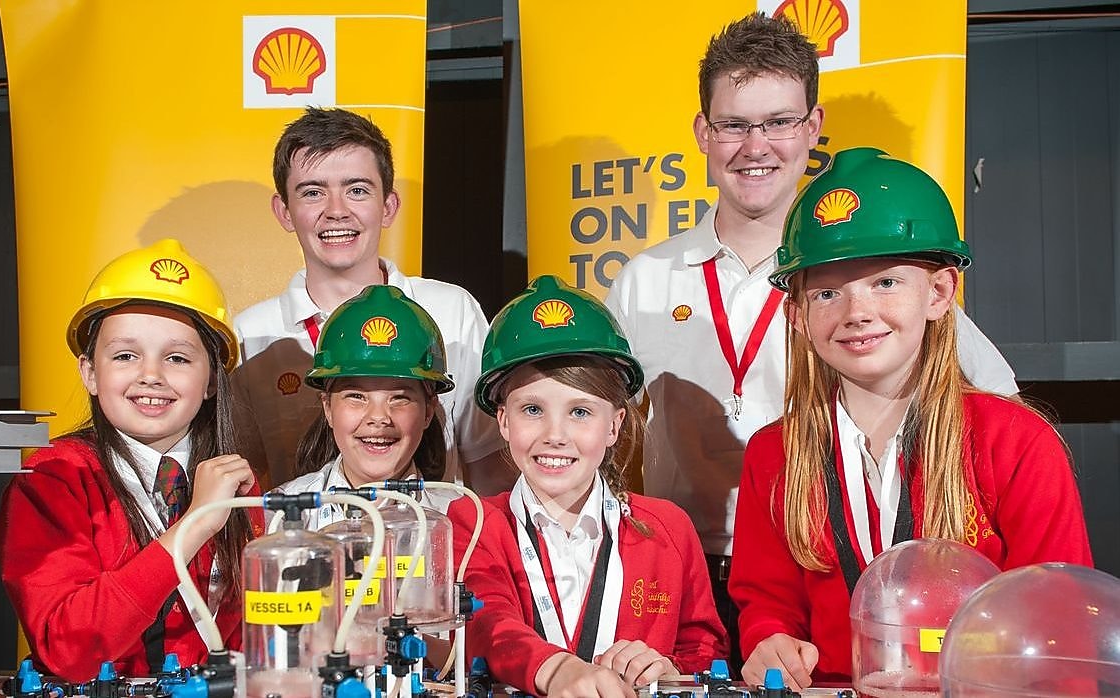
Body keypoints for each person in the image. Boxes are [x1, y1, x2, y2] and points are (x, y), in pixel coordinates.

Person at [602, 12, 1018, 668]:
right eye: (735, 125)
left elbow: (994, 399)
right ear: (703, 134)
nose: (755, 145)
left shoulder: (864, 269)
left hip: (827, 566)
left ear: (811, 128)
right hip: (688, 574)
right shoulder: (643, 280)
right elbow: (605, 433)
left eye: (777, 122)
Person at [729, 148, 1093, 688]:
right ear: (798, 315)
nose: (857, 313)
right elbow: (767, 600)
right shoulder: (772, 453)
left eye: (886, 283)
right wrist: (767, 640)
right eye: (827, 292)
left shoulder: (1015, 442)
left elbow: (1061, 625)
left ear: (939, 292)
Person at [450, 275, 728, 698]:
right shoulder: (472, 521)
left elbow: (704, 648)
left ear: (614, 425)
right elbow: (484, 622)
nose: (555, 434)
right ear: (503, 421)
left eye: (580, 412)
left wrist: (669, 668)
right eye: (532, 409)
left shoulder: (669, 527)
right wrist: (556, 669)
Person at [0, 239, 261, 681]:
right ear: (89, 373)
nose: (151, 375)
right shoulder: (53, 478)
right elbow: (70, 651)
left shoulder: (238, 485)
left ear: (213, 379)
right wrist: (195, 523)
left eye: (177, 357)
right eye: (125, 355)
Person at [231, 107, 506, 495]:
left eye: (357, 190)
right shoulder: (250, 335)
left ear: (389, 205)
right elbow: (246, 483)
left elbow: (488, 466)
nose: (337, 211)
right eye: (312, 192)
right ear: (284, 211)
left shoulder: (451, 311)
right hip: (304, 548)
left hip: (430, 545)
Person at [272, 284, 458, 526]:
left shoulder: (458, 517)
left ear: (428, 411)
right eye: (357, 396)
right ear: (328, 408)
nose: (379, 417)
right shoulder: (283, 512)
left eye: (399, 397)